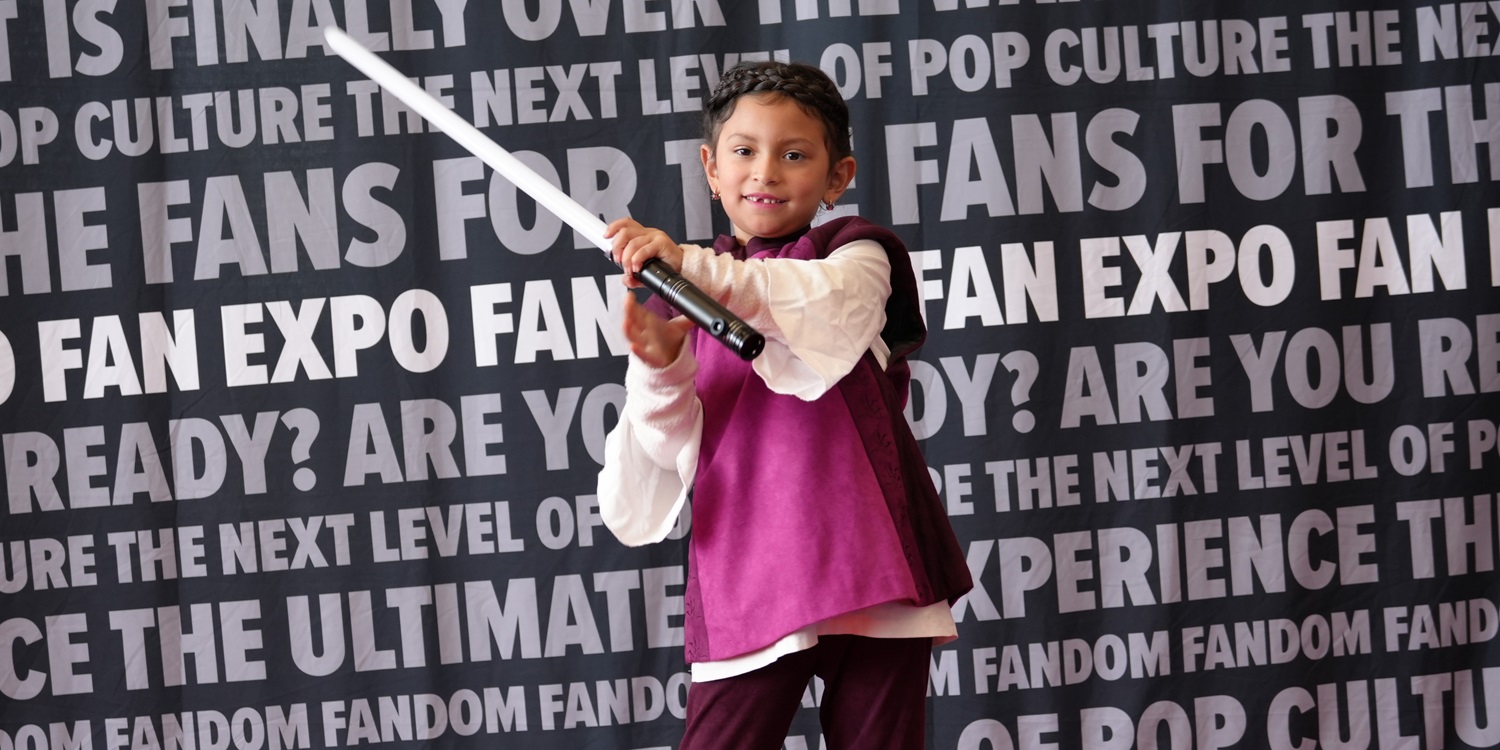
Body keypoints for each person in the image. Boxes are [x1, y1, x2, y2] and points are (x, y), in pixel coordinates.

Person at [596, 60, 972, 750]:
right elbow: (665, 453)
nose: (764, 172)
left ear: (838, 176)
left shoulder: (857, 256)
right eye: (743, 152)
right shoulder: (677, 288)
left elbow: (817, 313)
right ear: (711, 168)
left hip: (873, 564)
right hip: (749, 569)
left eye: (793, 155)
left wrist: (689, 266)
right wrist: (661, 369)